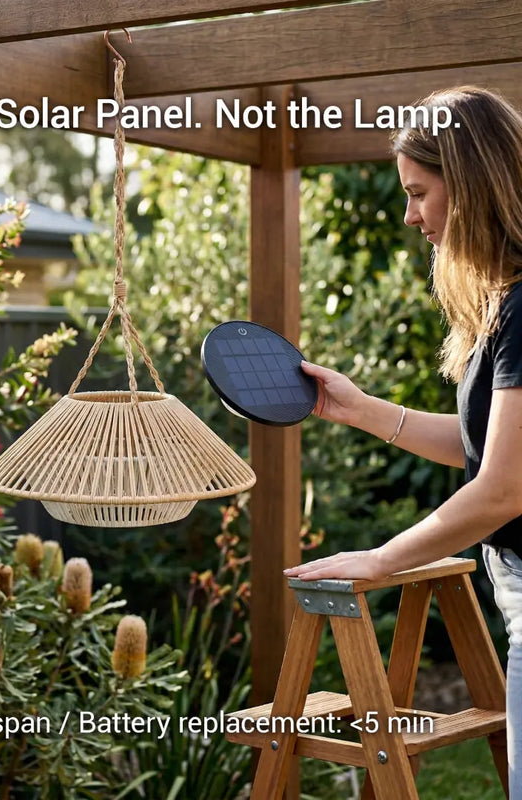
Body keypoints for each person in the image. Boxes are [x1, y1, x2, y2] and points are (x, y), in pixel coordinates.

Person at [283, 86, 522, 797]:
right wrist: (361, 409)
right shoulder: (505, 301)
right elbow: (487, 450)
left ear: (472, 182)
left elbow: (503, 489)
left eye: (420, 193)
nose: (412, 215)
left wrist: (380, 559)